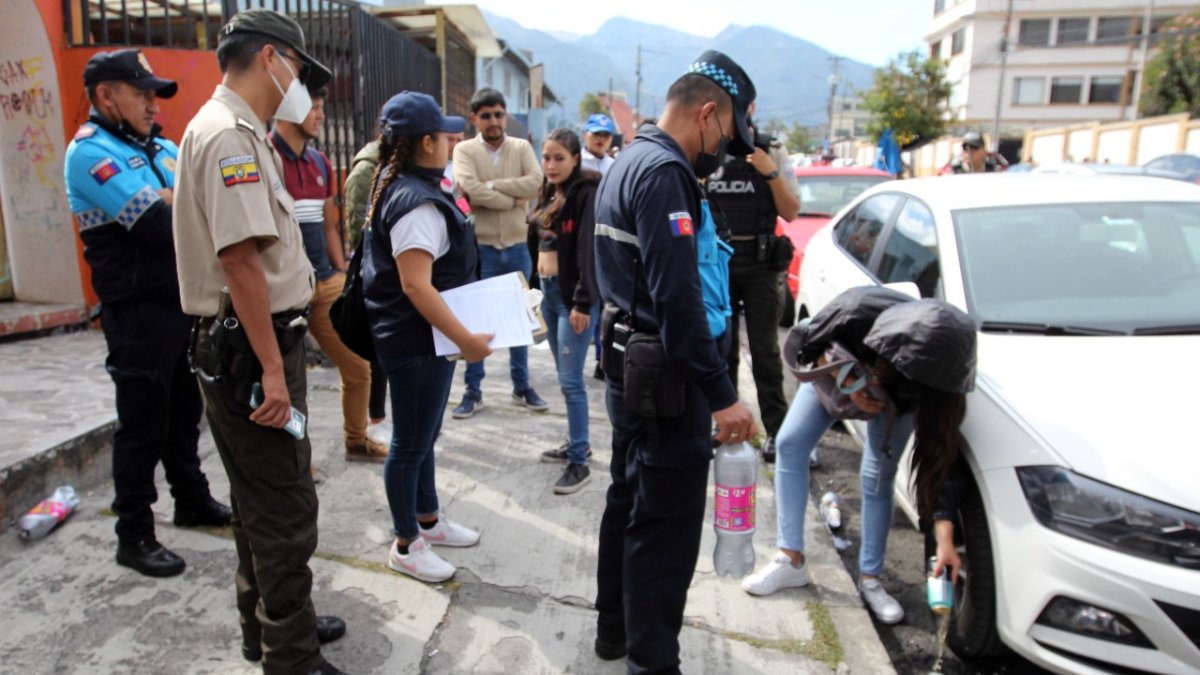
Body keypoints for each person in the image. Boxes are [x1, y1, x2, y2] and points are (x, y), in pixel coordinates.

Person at [172, 10, 346, 674]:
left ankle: (270, 626)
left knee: (259, 498)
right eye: (299, 68)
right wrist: (274, 371)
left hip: (250, 343)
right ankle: (290, 655)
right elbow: (241, 262)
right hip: (253, 348)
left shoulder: (233, 129)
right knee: (285, 506)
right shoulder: (230, 136)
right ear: (271, 57)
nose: (299, 83)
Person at [593, 50, 759, 672]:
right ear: (709, 114)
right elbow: (678, 300)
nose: (726, 149)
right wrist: (721, 394)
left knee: (628, 502)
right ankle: (652, 663)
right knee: (663, 531)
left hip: (629, 366)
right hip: (667, 381)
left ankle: (614, 633)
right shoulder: (665, 173)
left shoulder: (626, 158)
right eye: (729, 134)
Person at [64, 48, 230, 579]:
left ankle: (191, 498)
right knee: (141, 424)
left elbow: (205, 206)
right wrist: (179, 202)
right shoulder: (89, 154)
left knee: (185, 412)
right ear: (105, 95)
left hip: (181, 303)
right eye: (141, 93)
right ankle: (133, 533)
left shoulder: (161, 146)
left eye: (155, 94)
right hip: (136, 313)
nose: (153, 104)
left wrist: (173, 197)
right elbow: (160, 228)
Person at [741, 287, 976, 629]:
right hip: (837, 374)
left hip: (893, 408)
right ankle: (789, 559)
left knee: (877, 476)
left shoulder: (941, 378)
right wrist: (847, 378)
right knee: (790, 444)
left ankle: (871, 580)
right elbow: (807, 345)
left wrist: (945, 541)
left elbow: (939, 462)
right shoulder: (857, 310)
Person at [361, 91, 490, 583]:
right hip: (416, 342)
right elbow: (416, 284)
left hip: (424, 338)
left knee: (424, 436)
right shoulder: (417, 202)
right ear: (427, 142)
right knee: (410, 445)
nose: (453, 140)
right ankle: (406, 544)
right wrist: (467, 339)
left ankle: (428, 521)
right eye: (446, 133)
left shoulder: (413, 185)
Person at [270, 86, 385, 463]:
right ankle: (295, 462)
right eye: (313, 108)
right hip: (284, 289)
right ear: (286, 111)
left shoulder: (318, 161)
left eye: (321, 107)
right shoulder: (268, 159)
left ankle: (356, 440)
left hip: (324, 281)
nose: (320, 115)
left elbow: (328, 222)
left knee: (358, 366)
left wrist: (338, 270)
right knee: (291, 383)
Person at [706, 108, 799, 463]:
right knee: (722, 350)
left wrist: (770, 172)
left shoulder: (771, 150)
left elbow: (790, 212)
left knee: (765, 353)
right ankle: (723, 426)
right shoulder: (709, 149)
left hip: (761, 265)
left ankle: (777, 431)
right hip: (720, 265)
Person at [451, 87, 547, 418]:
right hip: (483, 248)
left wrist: (490, 188)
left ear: (505, 116)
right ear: (475, 118)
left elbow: (535, 183)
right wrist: (509, 196)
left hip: (519, 246)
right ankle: (472, 390)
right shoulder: (464, 150)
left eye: (499, 114)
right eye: (487, 115)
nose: (494, 121)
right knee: (478, 320)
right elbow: (467, 187)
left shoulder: (521, 147)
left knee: (520, 319)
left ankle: (522, 385)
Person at [530, 129, 601, 494]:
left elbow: (589, 250)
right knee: (564, 377)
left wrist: (583, 301)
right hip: (549, 294)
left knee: (572, 383)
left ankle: (579, 461)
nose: (552, 164)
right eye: (547, 157)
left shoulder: (585, 195)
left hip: (573, 298)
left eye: (559, 158)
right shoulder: (548, 192)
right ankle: (578, 441)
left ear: (575, 158)